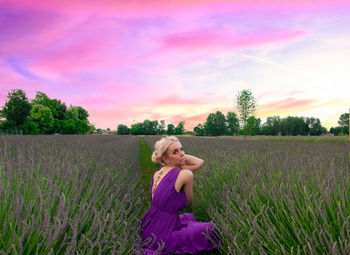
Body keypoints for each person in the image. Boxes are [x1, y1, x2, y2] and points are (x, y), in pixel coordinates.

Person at [136, 136, 221, 254]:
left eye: (182, 149)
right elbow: (189, 202)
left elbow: (198, 163)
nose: (182, 154)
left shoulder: (157, 173)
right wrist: (181, 158)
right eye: (175, 152)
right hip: (163, 233)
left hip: (150, 225)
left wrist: (177, 157)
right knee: (212, 229)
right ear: (165, 159)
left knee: (189, 217)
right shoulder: (185, 174)